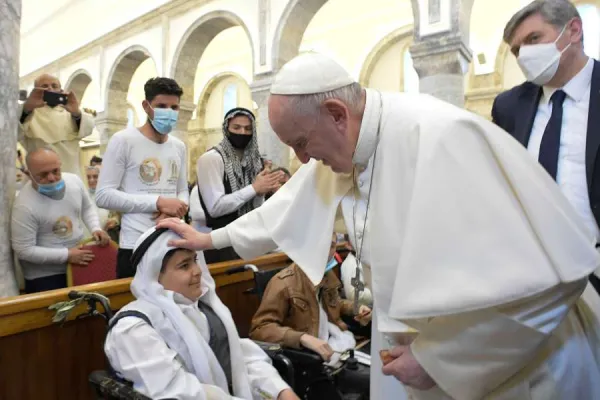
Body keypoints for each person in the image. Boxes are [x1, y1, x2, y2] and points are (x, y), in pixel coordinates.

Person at [158, 52, 600, 400]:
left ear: (335, 113)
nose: (302, 160)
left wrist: (438, 360)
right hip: (413, 350)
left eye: (300, 143)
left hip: (513, 368)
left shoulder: (444, 139)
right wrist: (209, 238)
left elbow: (546, 288)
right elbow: (284, 210)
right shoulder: (347, 143)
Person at [104, 226, 299, 400]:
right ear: (155, 276)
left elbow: (240, 359)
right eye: (184, 266)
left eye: (195, 261)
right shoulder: (133, 329)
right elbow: (176, 391)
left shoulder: (205, 309)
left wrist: (280, 391)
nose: (197, 271)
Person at [492, 0, 600, 294]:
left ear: (573, 31)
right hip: (536, 273)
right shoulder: (509, 107)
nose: (524, 54)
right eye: (516, 50)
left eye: (533, 39)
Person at [96, 77, 189, 278]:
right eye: (162, 106)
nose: (169, 113)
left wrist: (177, 208)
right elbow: (103, 195)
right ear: (146, 106)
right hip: (135, 243)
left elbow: (182, 189)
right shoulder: (124, 140)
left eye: (174, 107)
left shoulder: (178, 146)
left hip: (171, 239)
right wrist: (158, 203)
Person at [250, 232, 371, 361]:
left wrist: (357, 308)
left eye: (331, 246)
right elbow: (259, 329)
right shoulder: (282, 283)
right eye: (321, 245)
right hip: (306, 356)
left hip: (335, 342)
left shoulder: (327, 274)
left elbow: (336, 303)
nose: (326, 252)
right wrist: (301, 338)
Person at [11, 148, 110, 293]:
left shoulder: (74, 181)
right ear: (29, 174)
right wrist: (67, 255)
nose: (51, 178)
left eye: (56, 171)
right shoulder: (24, 206)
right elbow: (24, 251)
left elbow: (87, 208)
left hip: (79, 264)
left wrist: (96, 228)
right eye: (43, 175)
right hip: (45, 277)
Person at [196, 108, 283, 264]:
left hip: (248, 239)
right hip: (220, 243)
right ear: (226, 128)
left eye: (248, 129)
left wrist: (262, 192)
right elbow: (215, 208)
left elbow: (254, 208)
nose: (242, 132)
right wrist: (254, 188)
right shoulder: (211, 159)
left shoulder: (254, 162)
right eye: (236, 128)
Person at [18, 74, 95, 176]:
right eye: (44, 86)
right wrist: (27, 108)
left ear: (61, 90)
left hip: (69, 174)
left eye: (54, 86)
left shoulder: (71, 113)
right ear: (35, 91)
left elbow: (89, 129)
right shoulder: (28, 113)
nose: (50, 88)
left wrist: (76, 112)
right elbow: (14, 133)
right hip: (40, 178)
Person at [85, 165, 120, 242]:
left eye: (95, 177)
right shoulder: (84, 195)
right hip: (88, 238)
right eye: (88, 177)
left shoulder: (109, 195)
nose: (91, 180)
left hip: (106, 238)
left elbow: (117, 214)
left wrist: (114, 220)